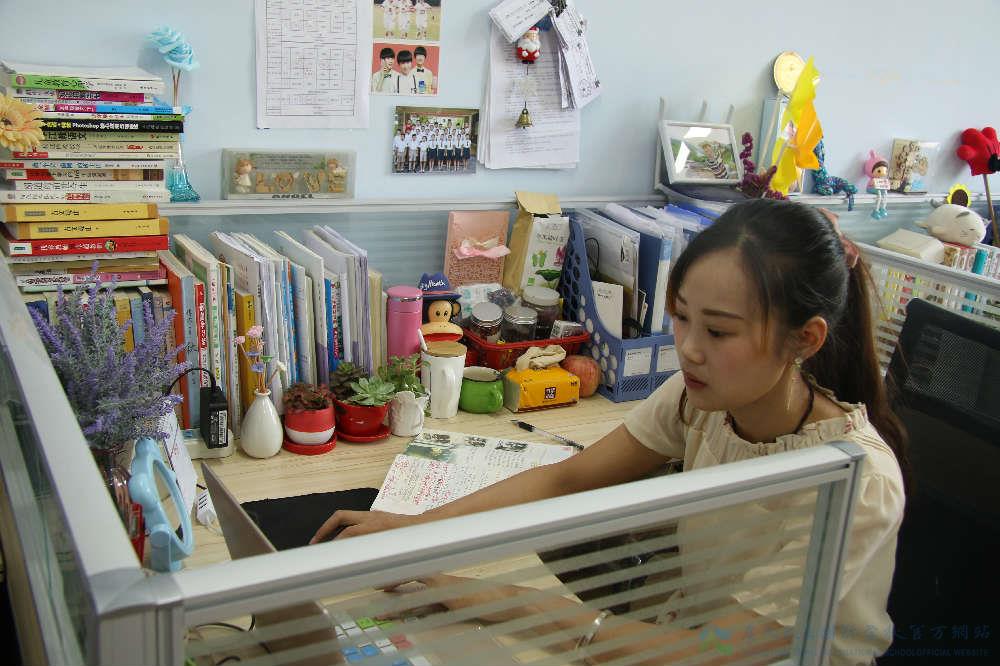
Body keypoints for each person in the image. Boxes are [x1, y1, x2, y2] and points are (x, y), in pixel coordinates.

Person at [311, 200, 907, 665]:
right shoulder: (702, 400)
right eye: (681, 318)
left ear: (805, 339)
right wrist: (413, 531)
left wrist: (485, 597)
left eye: (719, 332)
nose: (689, 349)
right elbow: (568, 478)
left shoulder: (854, 483)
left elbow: (713, 655)